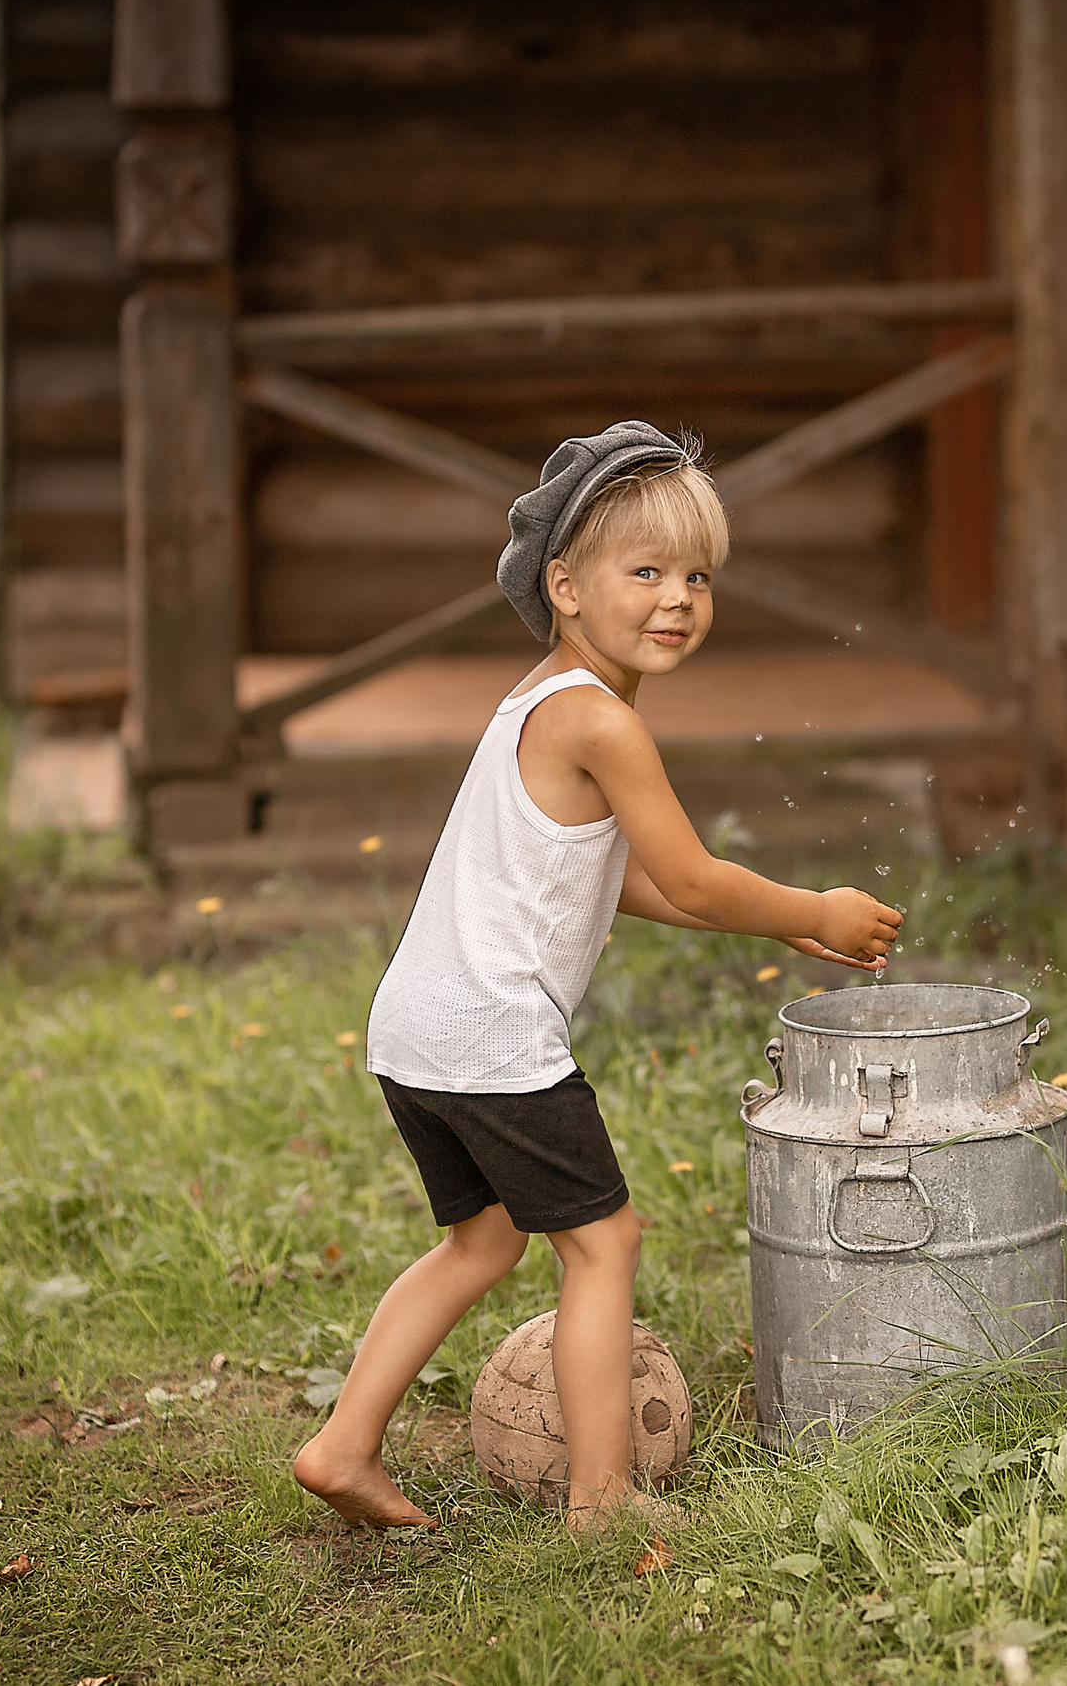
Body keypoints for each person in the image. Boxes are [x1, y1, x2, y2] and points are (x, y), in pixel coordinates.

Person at [290, 421, 903, 1534]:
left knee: (481, 1241)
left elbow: (614, 880)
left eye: (699, 576)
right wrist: (810, 908)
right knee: (604, 1241)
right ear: (564, 584)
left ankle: (341, 1446)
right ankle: (601, 1498)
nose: (678, 599)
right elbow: (697, 878)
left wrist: (776, 932)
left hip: (417, 1028)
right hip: (490, 1036)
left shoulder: (540, 698)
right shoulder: (602, 721)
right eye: (647, 572)